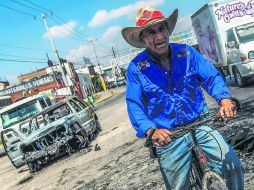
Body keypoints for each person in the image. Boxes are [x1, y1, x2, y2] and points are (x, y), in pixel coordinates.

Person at [121, 6, 244, 190]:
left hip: (200, 123)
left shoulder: (186, 53)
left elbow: (211, 77)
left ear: (167, 30)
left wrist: (224, 99)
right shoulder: (137, 68)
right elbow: (134, 104)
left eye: (162, 29)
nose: (159, 36)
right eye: (151, 32)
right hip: (169, 136)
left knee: (233, 166)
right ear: (143, 38)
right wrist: (150, 131)